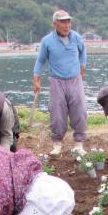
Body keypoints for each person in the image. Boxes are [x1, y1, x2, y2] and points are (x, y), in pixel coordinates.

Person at [32, 9, 88, 156]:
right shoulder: (47, 41)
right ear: (55, 24)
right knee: (57, 114)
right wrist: (36, 78)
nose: (66, 25)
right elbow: (40, 60)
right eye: (63, 22)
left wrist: (83, 65)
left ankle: (78, 144)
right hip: (57, 81)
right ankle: (57, 144)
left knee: (80, 111)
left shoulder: (76, 37)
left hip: (75, 80)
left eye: (68, 21)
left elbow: (83, 51)